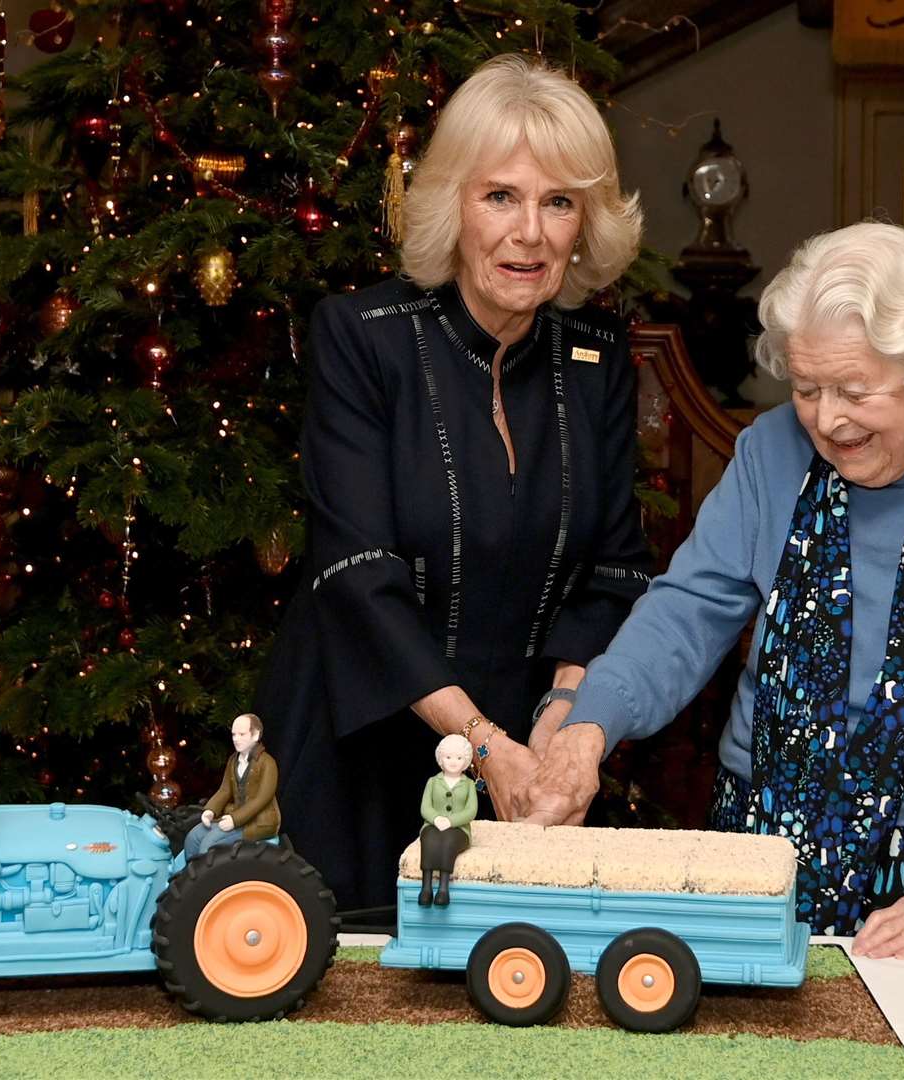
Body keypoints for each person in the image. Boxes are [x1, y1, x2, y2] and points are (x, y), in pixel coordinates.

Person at [535, 222, 904, 956]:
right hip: (761, 840)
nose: (827, 419)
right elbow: (686, 613)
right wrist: (589, 726)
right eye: (806, 387)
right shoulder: (770, 452)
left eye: (854, 389)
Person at [253, 54, 653, 915]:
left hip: (527, 765)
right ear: (451, 205)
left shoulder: (598, 360)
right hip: (359, 749)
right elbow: (358, 576)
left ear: (587, 224)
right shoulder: (364, 338)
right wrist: (483, 748)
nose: (531, 233)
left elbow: (615, 569)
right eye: (500, 196)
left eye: (559, 203)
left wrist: (558, 726)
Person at [183, 713, 281, 861]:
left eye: (242, 734)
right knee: (193, 838)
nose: (236, 739)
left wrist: (235, 820)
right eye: (234, 734)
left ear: (255, 735)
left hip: (258, 821)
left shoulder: (267, 763)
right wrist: (211, 810)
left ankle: (206, 882)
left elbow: (262, 799)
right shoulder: (233, 761)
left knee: (209, 845)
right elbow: (225, 790)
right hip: (233, 816)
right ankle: (190, 879)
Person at [417, 734, 478, 908]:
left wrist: (451, 821)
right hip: (432, 825)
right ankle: (426, 887)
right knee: (429, 840)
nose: (453, 762)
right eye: (448, 757)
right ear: (441, 759)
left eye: (459, 758)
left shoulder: (468, 785)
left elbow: (471, 811)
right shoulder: (433, 782)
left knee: (449, 842)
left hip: (459, 830)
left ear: (466, 761)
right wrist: (436, 819)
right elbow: (425, 807)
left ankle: (443, 889)